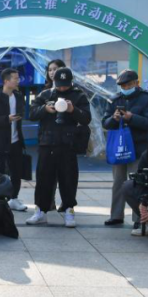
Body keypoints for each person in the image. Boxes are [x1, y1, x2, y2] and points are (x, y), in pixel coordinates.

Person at [27, 67, 90, 227]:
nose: (62, 88)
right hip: (47, 143)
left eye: (65, 84)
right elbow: (32, 114)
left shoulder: (78, 96)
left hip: (68, 144)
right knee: (43, 178)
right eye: (60, 84)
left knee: (68, 179)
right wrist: (45, 109)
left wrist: (72, 109)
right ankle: (41, 210)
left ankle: (69, 210)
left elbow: (86, 118)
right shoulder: (45, 94)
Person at [102, 69, 148, 227]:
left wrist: (131, 117)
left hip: (138, 147)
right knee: (118, 182)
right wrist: (114, 118)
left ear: (137, 83)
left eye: (128, 84)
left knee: (138, 183)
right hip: (118, 148)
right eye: (122, 85)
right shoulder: (114, 99)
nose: (125, 88)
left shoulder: (147, 99)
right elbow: (104, 123)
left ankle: (139, 218)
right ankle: (116, 215)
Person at [0, 68, 28, 212]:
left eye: (18, 78)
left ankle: (14, 198)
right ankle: (1, 199)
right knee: (0, 171)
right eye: (15, 78)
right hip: (0, 142)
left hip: (16, 140)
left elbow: (22, 113)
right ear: (6, 81)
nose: (18, 80)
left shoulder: (18, 96)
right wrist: (6, 119)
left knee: (17, 172)